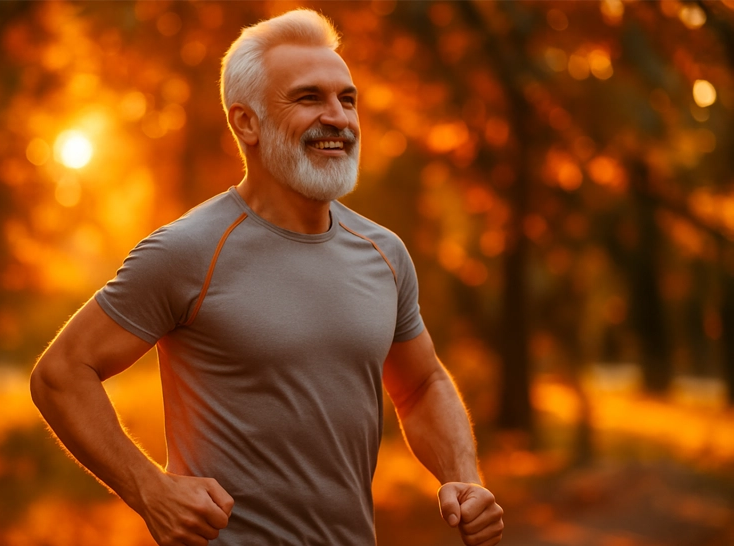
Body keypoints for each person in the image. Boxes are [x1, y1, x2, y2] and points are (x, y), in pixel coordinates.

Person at [30, 8, 503, 546]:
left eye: (347, 99)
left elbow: (421, 386)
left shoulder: (384, 253)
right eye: (308, 98)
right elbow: (61, 374)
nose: (339, 118)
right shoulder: (188, 250)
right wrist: (149, 491)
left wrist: (463, 479)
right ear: (246, 122)